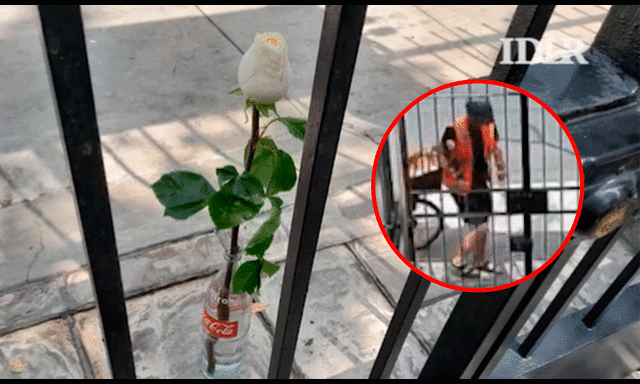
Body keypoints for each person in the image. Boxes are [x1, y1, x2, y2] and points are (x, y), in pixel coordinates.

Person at [439, 99, 506, 277]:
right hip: (461, 184)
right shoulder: (454, 130)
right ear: (471, 117)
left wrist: (500, 168)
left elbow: (495, 148)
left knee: (483, 222)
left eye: (487, 120)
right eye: (482, 120)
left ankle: (478, 262)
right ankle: (458, 260)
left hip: (479, 182)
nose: (485, 123)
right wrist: (457, 177)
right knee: (477, 225)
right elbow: (443, 158)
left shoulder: (489, 125)